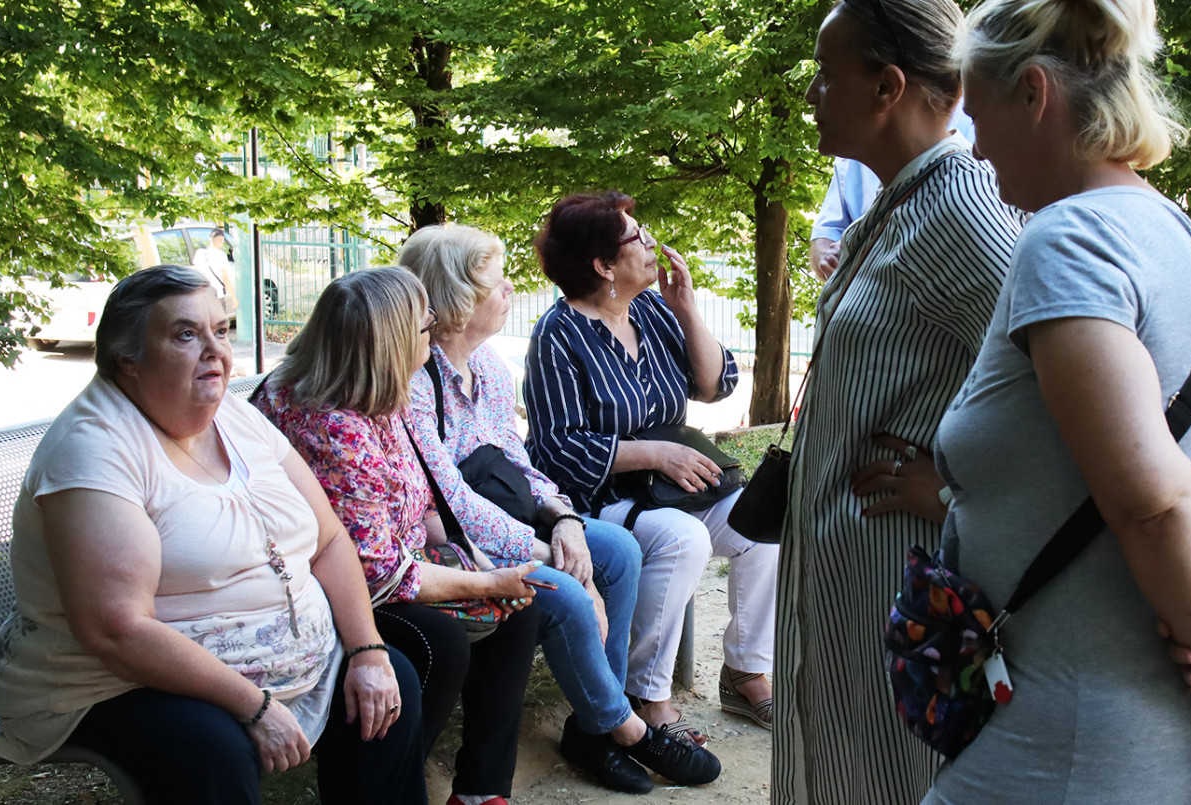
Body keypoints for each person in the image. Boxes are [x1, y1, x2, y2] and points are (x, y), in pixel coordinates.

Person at [923, 0, 1191, 801]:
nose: (977, 150)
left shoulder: (1070, 241)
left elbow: (1152, 499)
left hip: (1089, 741)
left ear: (1033, 93)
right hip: (1173, 726)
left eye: (979, 117)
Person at [0, 265, 426, 805]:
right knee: (211, 750)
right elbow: (116, 630)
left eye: (220, 330)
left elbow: (330, 540)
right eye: (186, 334)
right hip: (118, 683)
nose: (215, 350)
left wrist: (366, 650)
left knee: (391, 682)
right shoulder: (94, 450)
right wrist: (254, 705)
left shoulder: (235, 417)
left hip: (285, 665)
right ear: (128, 357)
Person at [774, 1, 1022, 802]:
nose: (811, 93)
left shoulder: (959, 210)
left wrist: (954, 494)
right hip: (848, 575)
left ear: (887, 85)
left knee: (879, 777)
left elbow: (1070, 389)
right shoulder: (898, 200)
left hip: (895, 576)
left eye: (825, 75)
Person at [397, 224, 721, 793]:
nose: (509, 292)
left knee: (615, 550)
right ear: (457, 299)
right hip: (453, 544)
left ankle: (593, 729)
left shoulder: (490, 367)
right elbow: (452, 501)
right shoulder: (416, 382)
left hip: (508, 522)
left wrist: (565, 518)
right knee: (571, 587)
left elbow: (519, 464)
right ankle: (620, 728)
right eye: (496, 284)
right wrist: (548, 550)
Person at [252, 267, 544, 805]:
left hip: (392, 558)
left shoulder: (375, 392)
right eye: (425, 328)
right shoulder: (333, 424)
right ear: (388, 344)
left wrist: (473, 560)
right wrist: (484, 583)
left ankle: (480, 792)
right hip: (332, 589)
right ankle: (388, 782)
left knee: (522, 610)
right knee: (440, 644)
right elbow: (378, 573)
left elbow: (421, 499)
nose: (432, 340)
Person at [524, 192, 779, 746]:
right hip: (596, 499)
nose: (652, 243)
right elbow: (556, 449)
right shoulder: (557, 335)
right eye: (636, 237)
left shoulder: (652, 311)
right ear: (603, 265)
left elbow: (716, 385)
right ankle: (647, 696)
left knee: (765, 524)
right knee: (683, 539)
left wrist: (687, 307)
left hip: (672, 487)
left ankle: (744, 671)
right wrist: (654, 453)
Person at [808, 107, 975, 279]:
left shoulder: (972, 146)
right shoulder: (852, 153)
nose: (811, 96)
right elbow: (827, 232)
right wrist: (830, 259)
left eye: (827, 80)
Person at [192, 227, 232, 300]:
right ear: (221, 240)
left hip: (203, 294)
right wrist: (233, 297)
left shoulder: (199, 253)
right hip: (217, 294)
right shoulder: (221, 255)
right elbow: (225, 278)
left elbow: (196, 273)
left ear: (210, 239)